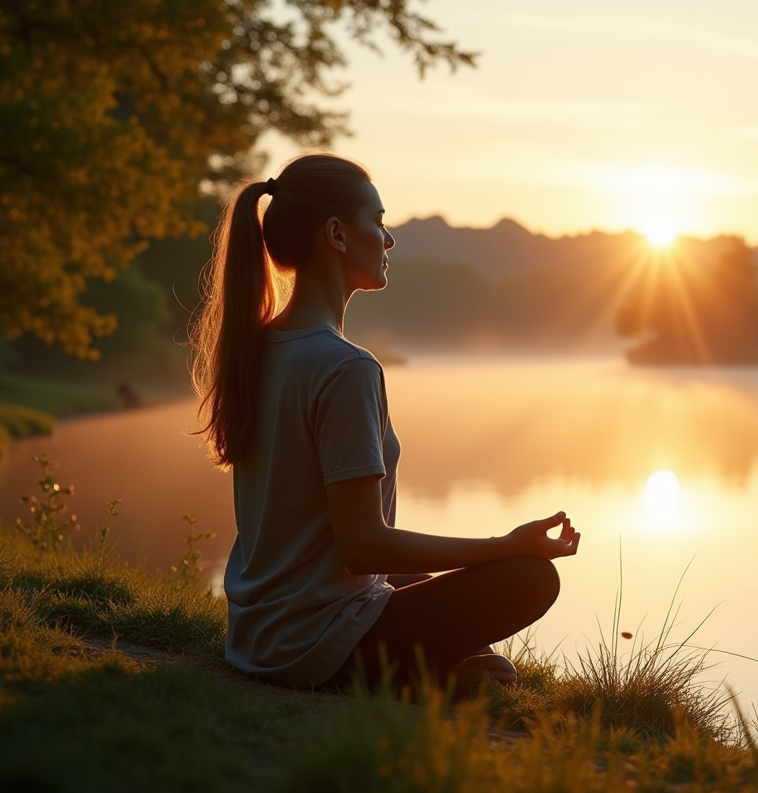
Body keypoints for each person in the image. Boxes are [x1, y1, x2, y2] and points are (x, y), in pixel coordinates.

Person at [190, 153, 580, 693]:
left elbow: (348, 555)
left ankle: (441, 675)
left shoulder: (259, 349)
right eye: (377, 221)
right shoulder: (345, 367)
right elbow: (366, 548)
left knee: (436, 590)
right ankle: (422, 681)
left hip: (257, 637)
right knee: (530, 578)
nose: (389, 238)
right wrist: (506, 544)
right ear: (337, 235)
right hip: (317, 645)